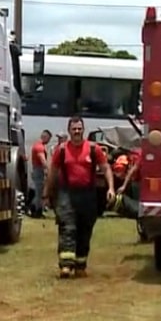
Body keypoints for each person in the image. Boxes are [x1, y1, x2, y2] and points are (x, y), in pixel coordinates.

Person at [44, 116, 115, 279]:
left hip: (87, 195)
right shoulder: (61, 150)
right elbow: (52, 173)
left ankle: (80, 265)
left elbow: (106, 168)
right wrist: (46, 194)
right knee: (67, 227)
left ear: (83, 130)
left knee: (85, 229)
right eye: (74, 129)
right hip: (66, 194)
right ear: (69, 131)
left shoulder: (93, 149)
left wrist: (110, 188)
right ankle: (66, 266)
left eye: (79, 129)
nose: (77, 131)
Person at [28, 130, 52, 218]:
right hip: (38, 170)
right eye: (49, 139)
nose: (48, 141)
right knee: (39, 192)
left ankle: (35, 210)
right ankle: (35, 211)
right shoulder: (39, 147)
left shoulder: (36, 145)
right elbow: (42, 160)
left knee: (38, 192)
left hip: (37, 169)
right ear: (45, 137)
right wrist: (48, 170)